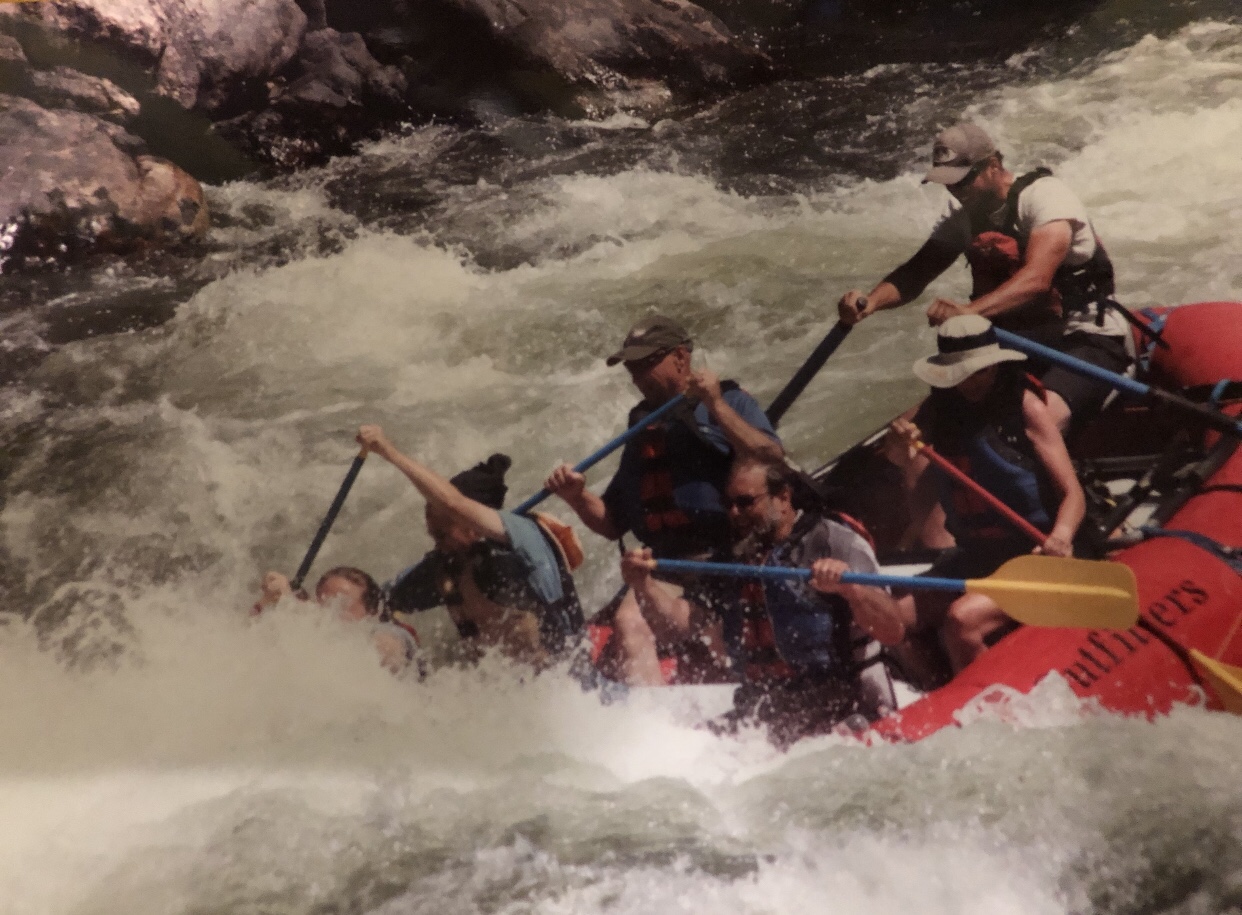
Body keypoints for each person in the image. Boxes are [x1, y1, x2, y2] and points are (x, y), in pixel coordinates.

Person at [838, 121, 1133, 431]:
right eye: (948, 183)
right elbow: (915, 273)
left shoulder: (1045, 196)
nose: (955, 191)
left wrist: (970, 312)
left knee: (1037, 422)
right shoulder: (963, 218)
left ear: (993, 165)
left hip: (1085, 338)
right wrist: (870, 302)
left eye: (963, 181)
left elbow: (1036, 279)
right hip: (1016, 346)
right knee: (908, 429)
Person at [543, 315, 783, 686]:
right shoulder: (644, 425)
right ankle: (650, 713)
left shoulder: (729, 400)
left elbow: (770, 456)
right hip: (667, 563)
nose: (635, 377)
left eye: (644, 364)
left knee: (713, 642)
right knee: (628, 621)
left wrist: (715, 404)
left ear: (681, 358)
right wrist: (577, 496)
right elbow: (612, 523)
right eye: (631, 368)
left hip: (728, 557)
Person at [620, 458, 907, 747]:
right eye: (728, 504)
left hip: (844, 702)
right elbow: (676, 627)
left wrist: (853, 589)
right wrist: (643, 585)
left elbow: (893, 630)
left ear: (783, 498)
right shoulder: (732, 559)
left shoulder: (833, 542)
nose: (735, 513)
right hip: (765, 705)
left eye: (746, 503)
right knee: (681, 747)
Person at [890, 315, 1086, 675]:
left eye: (981, 371)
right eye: (961, 374)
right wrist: (900, 444)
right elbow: (898, 457)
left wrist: (1061, 536)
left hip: (1035, 552)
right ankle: (937, 694)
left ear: (995, 365)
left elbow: (1073, 494)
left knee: (961, 620)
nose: (972, 382)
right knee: (893, 618)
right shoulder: (937, 411)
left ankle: (987, 699)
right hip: (978, 554)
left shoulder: (1025, 407)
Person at [361, 425, 585, 668]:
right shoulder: (447, 564)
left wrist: (388, 450)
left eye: (442, 534)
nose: (437, 544)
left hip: (563, 678)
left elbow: (453, 503)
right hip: (494, 683)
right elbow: (377, 602)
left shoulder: (522, 541)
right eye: (433, 534)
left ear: (474, 525)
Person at [256, 566, 419, 674]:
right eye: (323, 604)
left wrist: (295, 609)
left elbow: (386, 652)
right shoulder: (314, 632)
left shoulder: (389, 631)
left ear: (372, 611)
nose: (329, 613)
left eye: (341, 605)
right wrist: (277, 605)